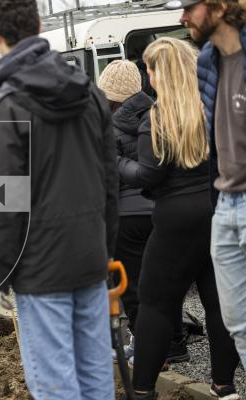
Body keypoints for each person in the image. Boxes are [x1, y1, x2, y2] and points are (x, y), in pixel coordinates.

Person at [0, 0, 119, 398]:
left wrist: (2, 276)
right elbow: (110, 181)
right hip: (89, 257)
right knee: (96, 377)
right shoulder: (90, 92)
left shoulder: (6, 105)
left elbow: (3, 202)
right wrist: (104, 248)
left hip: (40, 270)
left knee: (55, 385)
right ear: (40, 24)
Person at [118, 37, 240, 400]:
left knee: (156, 303)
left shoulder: (158, 118)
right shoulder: (214, 106)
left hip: (174, 220)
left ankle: (141, 391)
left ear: (161, 73)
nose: (147, 77)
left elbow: (148, 176)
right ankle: (224, 386)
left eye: (149, 69)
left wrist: (114, 162)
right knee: (219, 304)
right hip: (217, 209)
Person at [169, 0, 246, 369]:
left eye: (188, 7)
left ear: (218, 5)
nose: (182, 17)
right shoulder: (206, 62)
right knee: (237, 323)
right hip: (224, 203)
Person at [98, 60, 189, 365]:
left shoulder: (108, 127)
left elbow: (106, 177)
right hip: (161, 210)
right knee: (166, 281)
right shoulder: (158, 112)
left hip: (127, 217)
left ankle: (146, 344)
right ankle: (175, 343)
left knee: (136, 288)